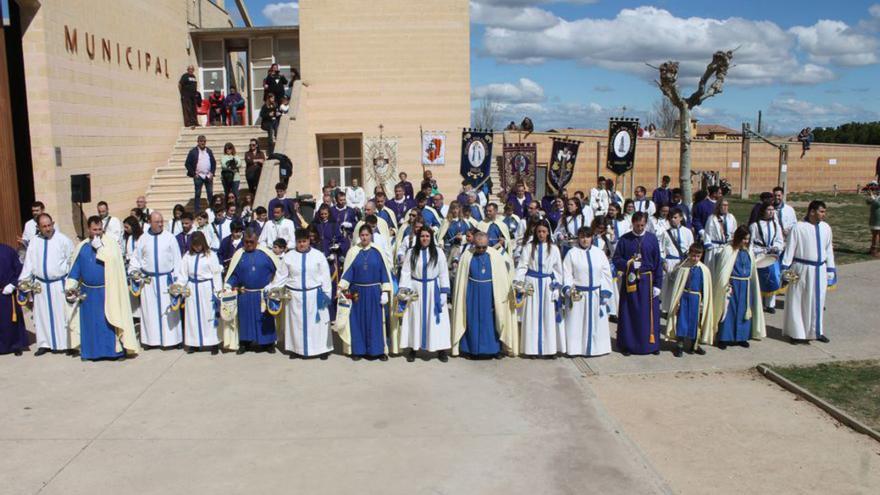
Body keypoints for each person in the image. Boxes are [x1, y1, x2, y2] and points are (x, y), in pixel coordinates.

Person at [66, 217, 139, 360]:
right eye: (94, 230)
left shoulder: (110, 244)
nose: (97, 233)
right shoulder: (82, 247)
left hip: (107, 291)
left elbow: (113, 262)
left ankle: (114, 352)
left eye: (100, 229)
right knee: (91, 324)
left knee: (109, 322)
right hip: (88, 293)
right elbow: (76, 269)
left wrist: (100, 247)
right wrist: (71, 286)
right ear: (88, 229)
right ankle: (91, 353)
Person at [451, 232, 516, 358]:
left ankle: (494, 349)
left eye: (484, 247)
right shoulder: (467, 255)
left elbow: (504, 272)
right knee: (471, 320)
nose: (481, 249)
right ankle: (471, 349)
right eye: (478, 246)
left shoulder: (495, 255)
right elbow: (461, 279)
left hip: (490, 292)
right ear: (474, 244)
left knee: (492, 320)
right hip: (472, 292)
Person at [336, 225, 394, 361]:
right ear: (359, 236)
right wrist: (341, 287)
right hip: (357, 292)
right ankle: (358, 350)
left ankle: (378, 350)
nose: (364, 237)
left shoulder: (377, 251)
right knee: (357, 320)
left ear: (371, 236)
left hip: (374, 291)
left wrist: (385, 291)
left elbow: (383, 271)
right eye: (362, 235)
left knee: (376, 321)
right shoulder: (353, 252)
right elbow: (348, 272)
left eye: (367, 235)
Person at [19, 213, 74, 355]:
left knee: (62, 315)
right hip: (40, 285)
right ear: (38, 227)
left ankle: (66, 344)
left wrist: (71, 283)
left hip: (59, 284)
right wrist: (24, 282)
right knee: (41, 315)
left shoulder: (63, 240)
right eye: (44, 226)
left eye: (50, 225)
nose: (48, 228)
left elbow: (72, 261)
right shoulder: (34, 242)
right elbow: (29, 263)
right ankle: (45, 344)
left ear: (53, 223)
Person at [782, 201, 836, 344]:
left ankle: (816, 331)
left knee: (817, 301)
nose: (824, 214)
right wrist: (785, 273)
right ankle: (796, 333)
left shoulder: (826, 228)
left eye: (824, 212)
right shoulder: (798, 228)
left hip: (819, 270)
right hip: (800, 269)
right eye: (822, 211)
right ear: (812, 211)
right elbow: (789, 251)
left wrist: (830, 270)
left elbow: (828, 250)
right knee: (797, 300)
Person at [129, 212, 183, 349]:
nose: (160, 224)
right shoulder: (143, 239)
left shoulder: (170, 238)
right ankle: (151, 341)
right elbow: (136, 258)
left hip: (166, 280)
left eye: (161, 221)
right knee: (149, 311)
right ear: (150, 222)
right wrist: (134, 271)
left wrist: (177, 281)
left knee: (169, 312)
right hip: (149, 281)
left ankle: (172, 340)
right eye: (157, 222)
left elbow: (177, 260)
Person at [612, 212, 663, 356]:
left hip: (648, 281)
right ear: (632, 223)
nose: (640, 228)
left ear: (645, 224)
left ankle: (651, 345)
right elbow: (616, 259)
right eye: (637, 225)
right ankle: (628, 345)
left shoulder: (652, 239)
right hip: (631, 281)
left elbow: (658, 262)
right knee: (629, 313)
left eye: (642, 225)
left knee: (649, 315)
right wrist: (629, 264)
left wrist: (658, 285)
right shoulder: (624, 239)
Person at [277, 228, 333, 359]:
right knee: (296, 324)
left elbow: (325, 276)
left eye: (304, 241)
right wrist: (271, 289)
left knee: (318, 325)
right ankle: (297, 349)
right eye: (299, 241)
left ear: (309, 241)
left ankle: (322, 349)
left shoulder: (318, 255)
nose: (302, 244)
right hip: (295, 296)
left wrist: (327, 293)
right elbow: (281, 276)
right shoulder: (288, 257)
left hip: (315, 294)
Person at [224, 229, 282, 354]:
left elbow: (278, 271)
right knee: (245, 320)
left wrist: (273, 285)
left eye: (251, 242)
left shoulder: (266, 254)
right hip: (245, 293)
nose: (248, 244)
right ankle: (245, 343)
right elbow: (234, 274)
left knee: (265, 319)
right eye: (246, 242)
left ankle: (268, 343)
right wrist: (229, 285)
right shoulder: (239, 254)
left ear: (257, 241)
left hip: (263, 294)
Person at [399, 227, 452, 362]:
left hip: (433, 289)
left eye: (427, 236)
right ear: (418, 237)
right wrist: (404, 290)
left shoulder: (439, 252)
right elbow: (405, 272)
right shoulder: (411, 252)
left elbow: (443, 272)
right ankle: (413, 348)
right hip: (416, 289)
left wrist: (444, 292)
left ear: (431, 237)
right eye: (422, 236)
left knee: (436, 320)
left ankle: (441, 350)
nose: (425, 238)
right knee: (414, 318)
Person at [561, 226, 613, 357]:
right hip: (579, 295)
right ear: (578, 238)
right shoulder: (572, 253)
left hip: (595, 294)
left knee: (597, 323)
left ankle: (598, 348)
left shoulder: (599, 253)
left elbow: (606, 273)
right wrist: (568, 289)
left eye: (588, 237)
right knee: (577, 323)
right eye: (582, 237)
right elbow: (567, 273)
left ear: (592, 238)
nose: (585, 240)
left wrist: (605, 291)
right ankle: (576, 348)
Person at [711, 225, 765, 349]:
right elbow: (723, 270)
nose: (746, 241)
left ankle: (741, 337)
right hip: (733, 285)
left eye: (748, 239)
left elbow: (751, 268)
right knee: (728, 311)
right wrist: (726, 283)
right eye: (744, 239)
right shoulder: (728, 250)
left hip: (745, 285)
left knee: (744, 312)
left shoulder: (748, 251)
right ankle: (724, 338)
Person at [516, 220, 563, 357]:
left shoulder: (554, 249)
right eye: (539, 232)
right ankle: (531, 349)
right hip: (532, 284)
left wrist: (557, 285)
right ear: (535, 233)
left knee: (548, 316)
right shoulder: (528, 248)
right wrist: (519, 283)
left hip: (547, 285)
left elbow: (558, 269)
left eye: (544, 231)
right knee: (532, 315)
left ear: (548, 232)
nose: (541, 234)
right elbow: (522, 266)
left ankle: (549, 349)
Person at [176, 231, 223, 355]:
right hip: (192, 288)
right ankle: (194, 343)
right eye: (194, 245)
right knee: (192, 316)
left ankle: (213, 343)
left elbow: (216, 274)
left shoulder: (211, 255)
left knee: (209, 314)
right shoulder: (187, 256)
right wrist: (179, 287)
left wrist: (217, 291)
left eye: (199, 244)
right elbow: (183, 274)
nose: (197, 247)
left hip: (206, 287)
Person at [665, 244, 714, 357]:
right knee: (682, 322)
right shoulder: (684, 268)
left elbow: (706, 288)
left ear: (701, 256)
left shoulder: (704, 270)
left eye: (697, 256)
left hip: (696, 299)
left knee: (695, 323)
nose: (695, 258)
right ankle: (680, 345)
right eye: (693, 256)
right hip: (684, 297)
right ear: (689, 255)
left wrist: (703, 302)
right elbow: (678, 286)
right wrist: (677, 300)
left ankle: (694, 345)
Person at [750, 203, 785, 313]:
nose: (771, 212)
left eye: (772, 210)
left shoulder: (776, 225)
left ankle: (770, 304)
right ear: (763, 211)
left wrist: (776, 247)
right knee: (759, 279)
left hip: (772, 255)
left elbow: (780, 240)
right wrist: (759, 250)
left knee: (773, 277)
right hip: (760, 255)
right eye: (768, 209)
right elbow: (751, 243)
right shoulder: (755, 225)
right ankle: (758, 302)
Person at [659, 208, 694, 312]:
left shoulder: (687, 232)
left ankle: (681, 308)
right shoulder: (665, 233)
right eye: (671, 218)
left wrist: (689, 260)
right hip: (670, 263)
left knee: (682, 286)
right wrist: (663, 261)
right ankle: (668, 309)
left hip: (683, 262)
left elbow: (691, 246)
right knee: (669, 287)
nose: (673, 220)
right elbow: (661, 248)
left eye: (675, 217)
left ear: (681, 218)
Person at [0, 243, 28, 356]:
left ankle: (15, 345)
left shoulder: (8, 250)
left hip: (7, 292)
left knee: (10, 321)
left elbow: (20, 269)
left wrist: (12, 284)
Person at [184, 135, 216, 214]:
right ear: (198, 142)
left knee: (210, 194)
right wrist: (194, 174)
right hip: (198, 176)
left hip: (208, 176)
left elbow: (213, 162)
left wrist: (212, 172)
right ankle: (197, 212)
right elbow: (187, 163)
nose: (202, 143)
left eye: (204, 141)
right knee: (197, 194)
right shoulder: (193, 151)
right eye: (201, 141)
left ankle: (212, 211)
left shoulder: (209, 151)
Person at [702, 199, 737, 271]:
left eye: (727, 205)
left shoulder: (731, 217)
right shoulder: (712, 218)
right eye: (723, 205)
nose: (725, 207)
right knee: (714, 269)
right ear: (718, 206)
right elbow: (707, 233)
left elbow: (734, 231)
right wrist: (708, 245)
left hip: (727, 247)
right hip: (715, 248)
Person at [868, 188, 880, 257]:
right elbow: (868, 202)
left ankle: (875, 250)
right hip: (874, 219)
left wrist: (872, 196)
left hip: (878, 220)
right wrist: (870, 197)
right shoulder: (877, 197)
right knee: (875, 235)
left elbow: (878, 204)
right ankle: (873, 249)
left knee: (876, 235)